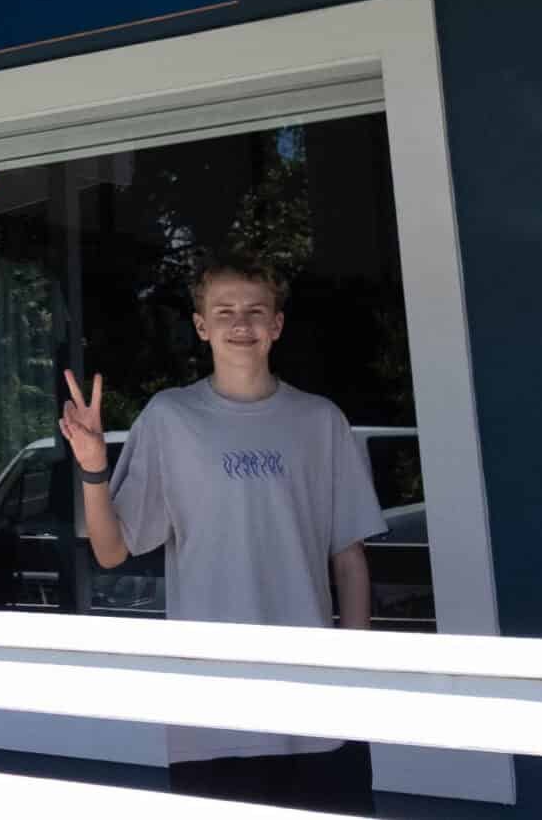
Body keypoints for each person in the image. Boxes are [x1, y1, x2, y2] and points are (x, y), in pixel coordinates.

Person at [60, 254, 385, 813]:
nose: (242, 324)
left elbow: (349, 558)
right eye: (225, 311)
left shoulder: (320, 421)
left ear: (277, 325)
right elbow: (111, 552)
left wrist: (354, 672)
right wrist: (93, 466)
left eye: (256, 311)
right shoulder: (169, 418)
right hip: (210, 701)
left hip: (316, 698)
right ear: (201, 325)